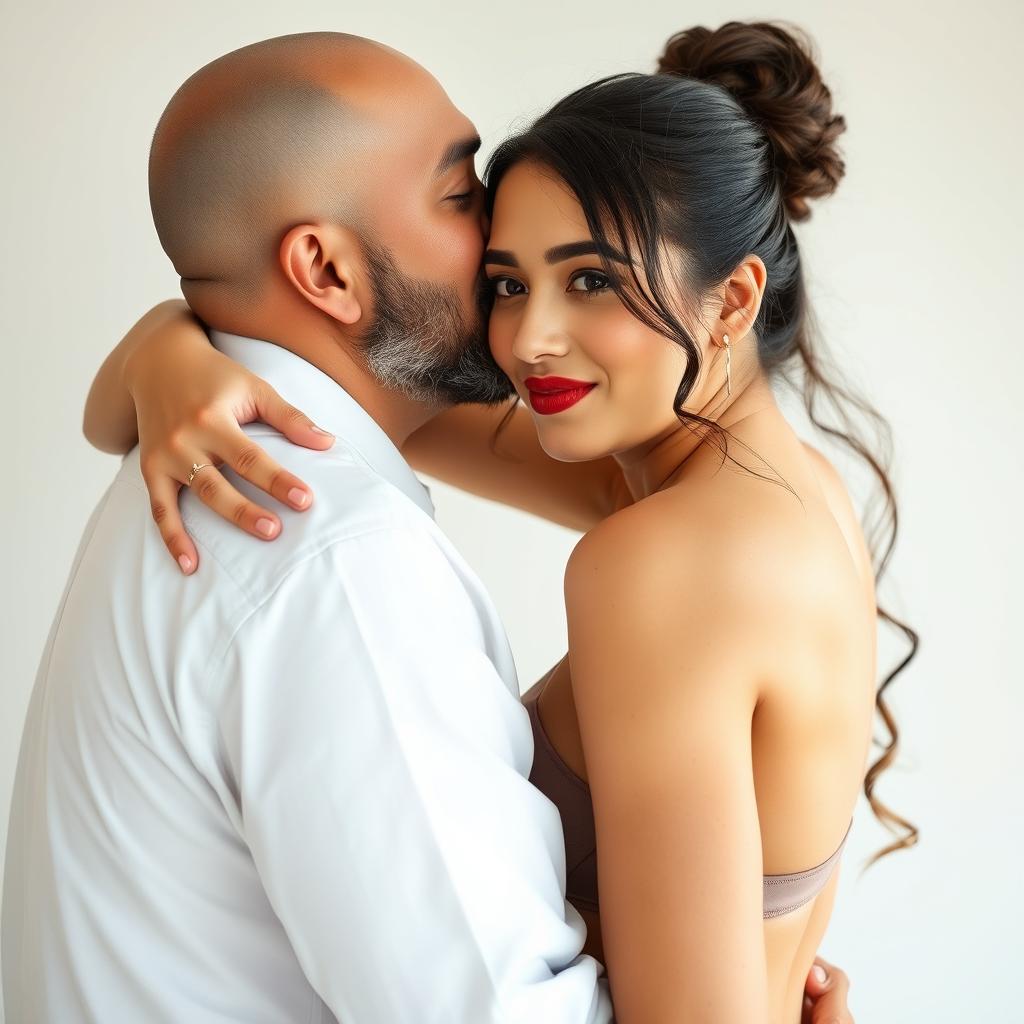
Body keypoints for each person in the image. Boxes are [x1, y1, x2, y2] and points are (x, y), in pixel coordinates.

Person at [4, 26, 862, 1024]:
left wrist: (178, 344)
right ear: (323, 270)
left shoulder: (660, 548)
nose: (530, 333)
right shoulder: (779, 492)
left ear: (731, 301)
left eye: (588, 277)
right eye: (498, 262)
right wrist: (169, 347)